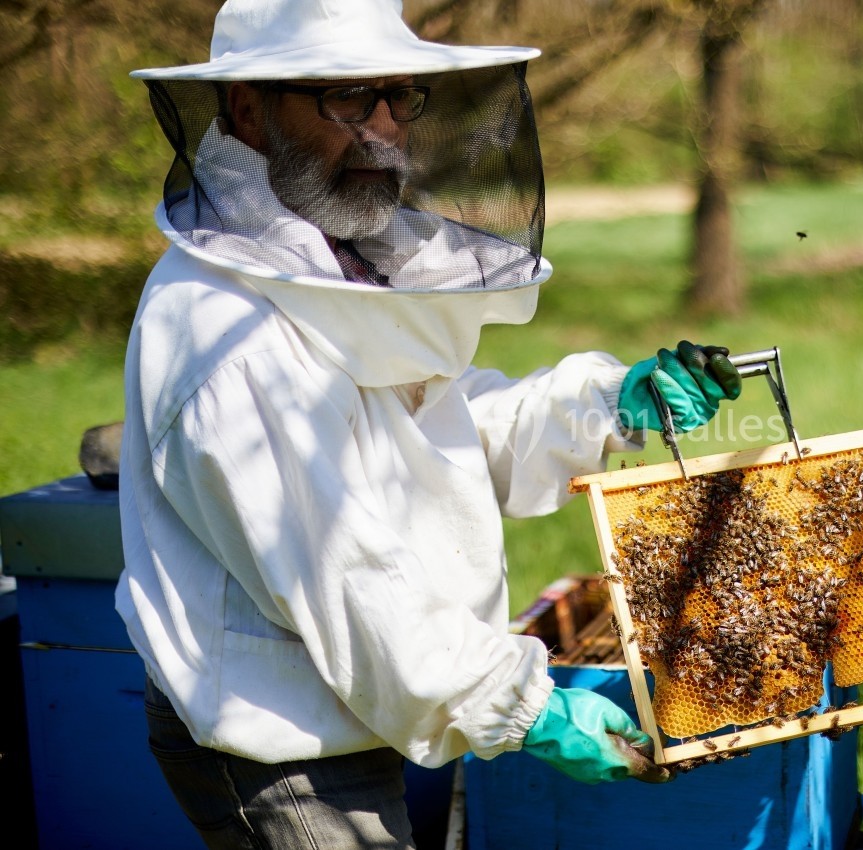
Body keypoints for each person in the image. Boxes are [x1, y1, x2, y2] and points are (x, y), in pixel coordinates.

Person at [114, 0, 743, 847]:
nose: (383, 130)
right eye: (348, 99)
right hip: (281, 745)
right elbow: (349, 578)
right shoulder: (224, 330)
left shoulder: (331, 262)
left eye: (398, 97)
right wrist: (526, 706)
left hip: (375, 696)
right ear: (249, 110)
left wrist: (606, 405)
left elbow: (439, 433)